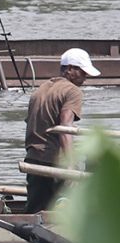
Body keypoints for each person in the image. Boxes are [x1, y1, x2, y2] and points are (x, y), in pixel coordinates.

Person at [23, 48, 101, 213]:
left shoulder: (40, 90)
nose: (85, 78)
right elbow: (66, 128)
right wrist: (71, 165)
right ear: (70, 69)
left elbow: (31, 124)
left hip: (34, 160)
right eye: (83, 72)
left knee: (35, 212)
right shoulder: (73, 92)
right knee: (68, 211)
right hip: (55, 163)